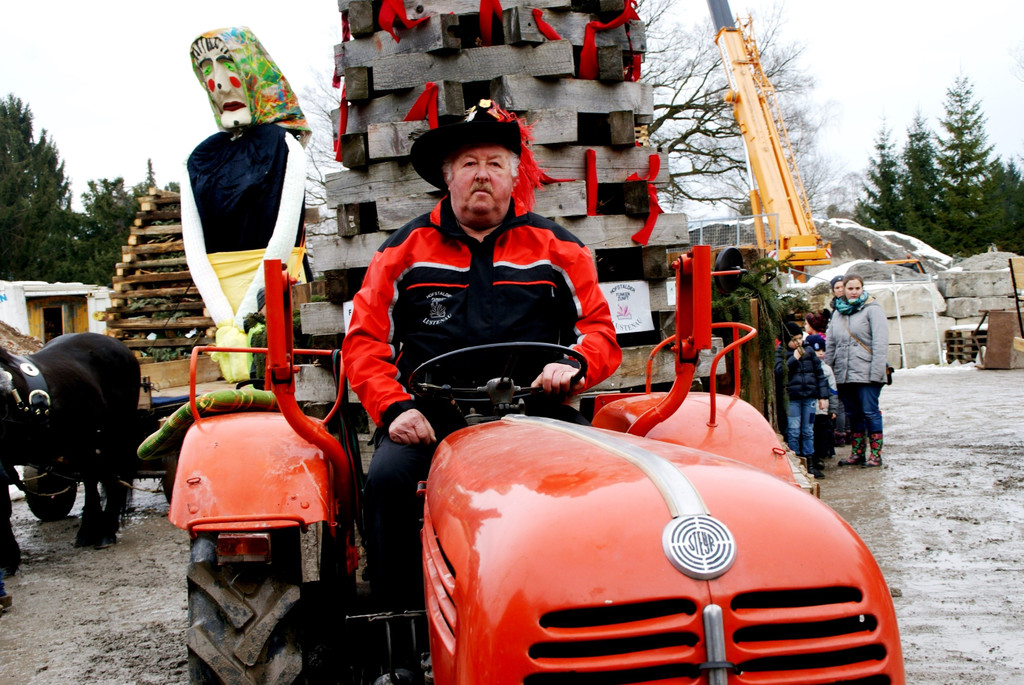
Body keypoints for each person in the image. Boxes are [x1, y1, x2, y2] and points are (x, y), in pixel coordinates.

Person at [342, 100, 622, 610]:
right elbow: (363, 344)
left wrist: (573, 365)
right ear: (447, 177)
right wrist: (395, 409)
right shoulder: (401, 252)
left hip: (536, 411)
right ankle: (400, 621)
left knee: (602, 479)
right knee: (387, 480)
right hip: (432, 418)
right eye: (469, 163)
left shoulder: (559, 248)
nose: (481, 174)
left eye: (494, 163)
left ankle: (596, 606)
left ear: (514, 176)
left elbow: (600, 333)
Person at [182, 27, 311, 382]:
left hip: (278, 299)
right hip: (225, 307)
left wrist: (241, 322)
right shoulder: (197, 160)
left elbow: (282, 240)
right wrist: (226, 324)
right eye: (207, 70)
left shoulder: (285, 146)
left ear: (254, 70)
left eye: (228, 64)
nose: (220, 84)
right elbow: (195, 253)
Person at [825, 274, 889, 467]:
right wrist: (829, 371)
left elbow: (880, 343)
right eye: (850, 288)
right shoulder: (838, 313)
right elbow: (831, 344)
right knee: (853, 414)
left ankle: (875, 454)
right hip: (844, 372)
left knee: (870, 412)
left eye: (857, 288)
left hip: (866, 372)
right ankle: (857, 452)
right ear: (843, 289)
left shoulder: (873, 310)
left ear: (862, 289)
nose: (853, 292)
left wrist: (877, 372)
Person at [776, 324, 829, 477]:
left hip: (809, 397)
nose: (798, 342)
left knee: (808, 431)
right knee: (793, 430)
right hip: (792, 398)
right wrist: (794, 359)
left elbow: (819, 374)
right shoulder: (781, 352)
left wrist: (823, 396)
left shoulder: (809, 350)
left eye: (800, 338)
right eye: (795, 339)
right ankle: (797, 462)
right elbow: (779, 371)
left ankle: (810, 462)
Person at [806, 333, 837, 475]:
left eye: (822, 350)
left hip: (823, 410)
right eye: (817, 350)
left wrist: (833, 408)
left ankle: (820, 457)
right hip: (809, 408)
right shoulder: (806, 368)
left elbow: (833, 391)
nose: (820, 353)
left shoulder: (827, 369)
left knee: (821, 434)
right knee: (809, 433)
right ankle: (811, 457)